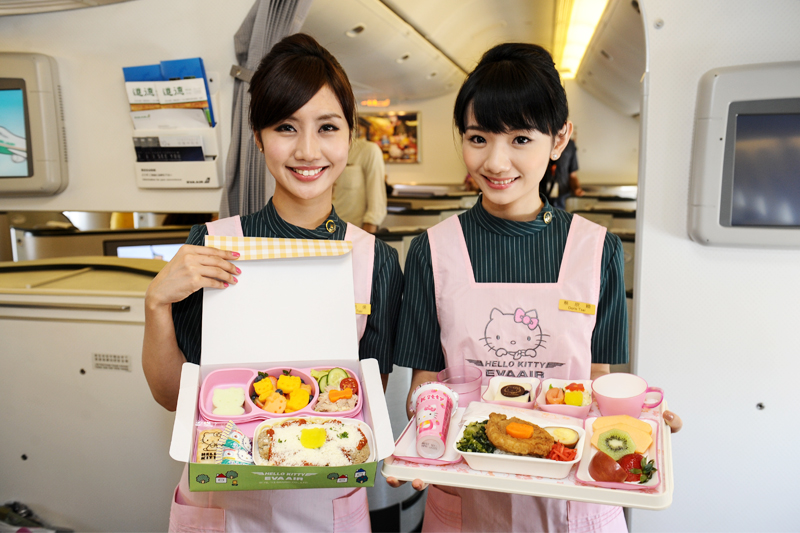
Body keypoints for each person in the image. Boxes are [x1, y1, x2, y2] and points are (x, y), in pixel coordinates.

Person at [386, 42, 681, 532]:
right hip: (466, 490)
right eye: (478, 138)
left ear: (560, 139)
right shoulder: (430, 250)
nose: (497, 162)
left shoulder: (597, 249)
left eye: (521, 139)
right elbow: (424, 385)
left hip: (570, 494)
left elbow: (597, 380)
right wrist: (416, 444)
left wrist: (642, 420)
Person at [141, 33, 403, 533]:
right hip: (222, 498)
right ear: (258, 137)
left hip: (323, 502)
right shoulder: (212, 244)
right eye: (286, 127)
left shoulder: (377, 262)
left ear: (351, 136)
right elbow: (176, 397)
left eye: (327, 127)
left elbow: (355, 407)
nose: (308, 150)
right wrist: (156, 303)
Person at [333, 137, 387, 233]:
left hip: (352, 235)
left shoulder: (368, 151)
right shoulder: (317, 152)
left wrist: (364, 242)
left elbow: (376, 207)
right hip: (319, 235)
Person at [540, 136, 584, 209]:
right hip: (540, 195)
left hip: (562, 197)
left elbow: (572, 175)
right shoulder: (540, 141)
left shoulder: (570, 145)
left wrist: (576, 188)